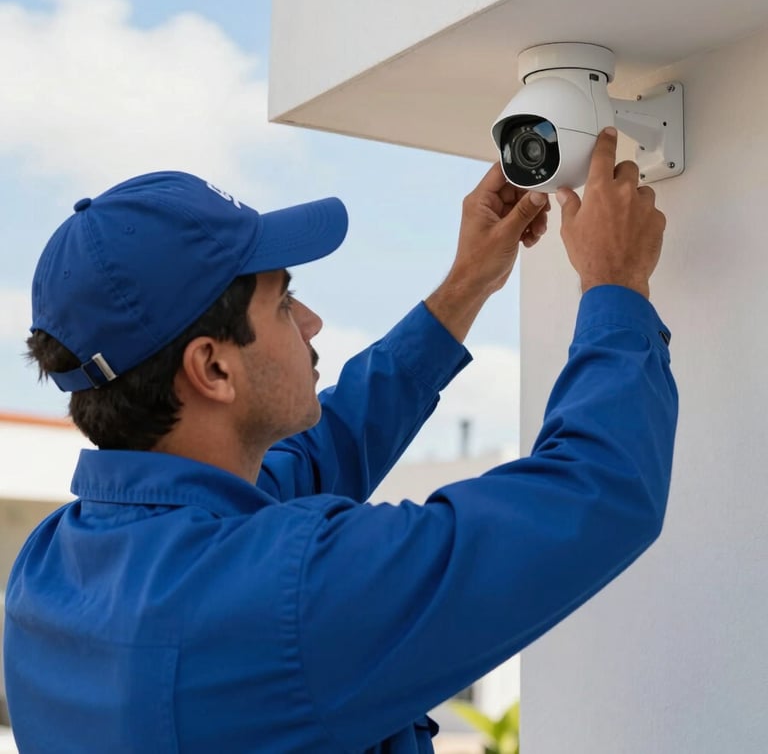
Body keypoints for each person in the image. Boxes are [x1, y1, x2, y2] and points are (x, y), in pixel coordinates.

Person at [3, 128, 676, 753]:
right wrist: (614, 286)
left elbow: (325, 450)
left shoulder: (51, 571)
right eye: (284, 300)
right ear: (212, 367)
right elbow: (595, 496)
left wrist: (467, 284)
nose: (313, 321)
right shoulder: (283, 599)